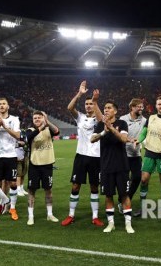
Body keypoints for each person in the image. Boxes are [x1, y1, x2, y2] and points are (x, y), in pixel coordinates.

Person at [61, 81, 104, 227]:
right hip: (81, 156)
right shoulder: (79, 117)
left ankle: (95, 216)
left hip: (96, 157)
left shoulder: (100, 118)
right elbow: (69, 107)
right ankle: (71, 215)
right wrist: (80, 94)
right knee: (75, 187)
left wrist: (96, 101)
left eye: (91, 104)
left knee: (94, 187)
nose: (88, 106)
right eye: (87, 104)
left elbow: (101, 121)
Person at [91, 100, 134, 233]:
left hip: (121, 165)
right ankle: (111, 223)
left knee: (124, 195)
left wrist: (111, 128)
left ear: (115, 111)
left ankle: (128, 224)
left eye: (109, 108)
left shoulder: (122, 123)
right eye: (104, 108)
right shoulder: (100, 125)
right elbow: (92, 139)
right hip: (106, 166)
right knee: (108, 196)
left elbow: (123, 139)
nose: (106, 110)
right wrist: (104, 132)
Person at [135, 94, 161, 217]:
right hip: (149, 152)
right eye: (159, 104)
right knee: (144, 179)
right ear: (156, 106)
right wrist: (138, 140)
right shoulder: (150, 118)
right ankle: (142, 207)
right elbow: (144, 132)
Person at [0, 98, 21, 221]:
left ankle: (12, 208)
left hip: (10, 155)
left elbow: (18, 136)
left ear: (8, 106)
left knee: (13, 183)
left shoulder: (14, 119)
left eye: (3, 104)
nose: (1, 106)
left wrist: (5, 126)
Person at [25, 111, 60, 225]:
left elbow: (57, 131)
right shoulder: (30, 130)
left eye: (39, 117)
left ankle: (49, 214)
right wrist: (40, 128)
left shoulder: (48, 129)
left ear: (43, 118)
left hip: (47, 164)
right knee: (31, 190)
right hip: (34, 165)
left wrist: (47, 121)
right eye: (35, 118)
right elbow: (28, 138)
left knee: (48, 190)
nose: (37, 119)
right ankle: (31, 216)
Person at [117, 98, 146, 214]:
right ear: (132, 107)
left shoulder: (144, 120)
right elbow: (118, 135)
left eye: (142, 106)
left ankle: (126, 199)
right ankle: (121, 202)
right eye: (139, 106)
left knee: (137, 178)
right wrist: (130, 140)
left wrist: (139, 141)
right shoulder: (123, 119)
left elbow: (145, 133)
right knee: (123, 180)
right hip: (123, 154)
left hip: (136, 154)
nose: (141, 108)